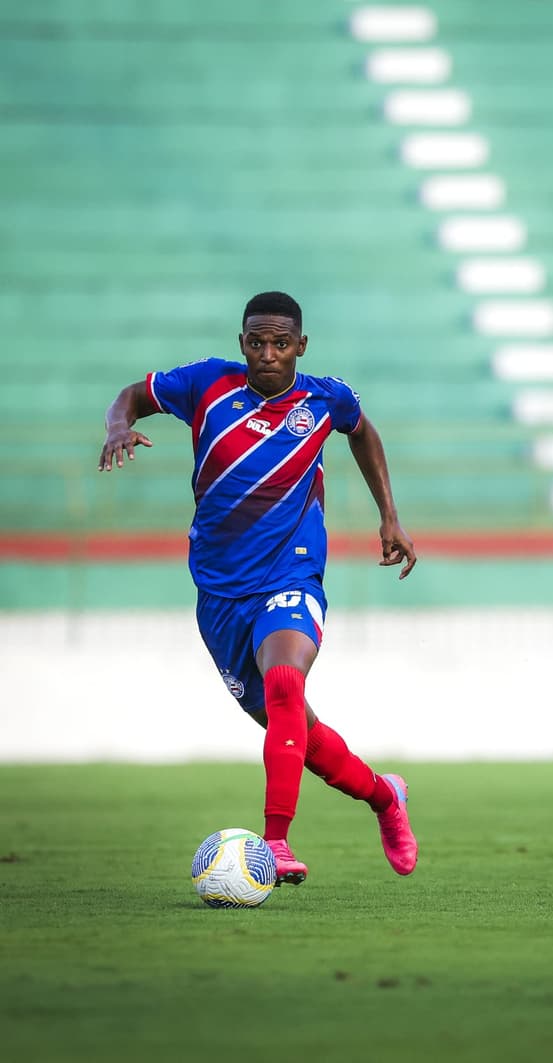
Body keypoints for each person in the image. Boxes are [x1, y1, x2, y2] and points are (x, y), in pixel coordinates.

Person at [98, 290, 419, 886]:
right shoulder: (205, 385)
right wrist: (118, 425)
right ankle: (384, 798)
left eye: (279, 343)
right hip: (220, 592)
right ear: (241, 341)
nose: (267, 353)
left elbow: (362, 431)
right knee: (293, 725)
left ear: (301, 345)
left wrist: (389, 517)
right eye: (255, 341)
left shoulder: (325, 397)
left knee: (283, 680)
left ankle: (275, 840)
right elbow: (131, 398)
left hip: (292, 570)